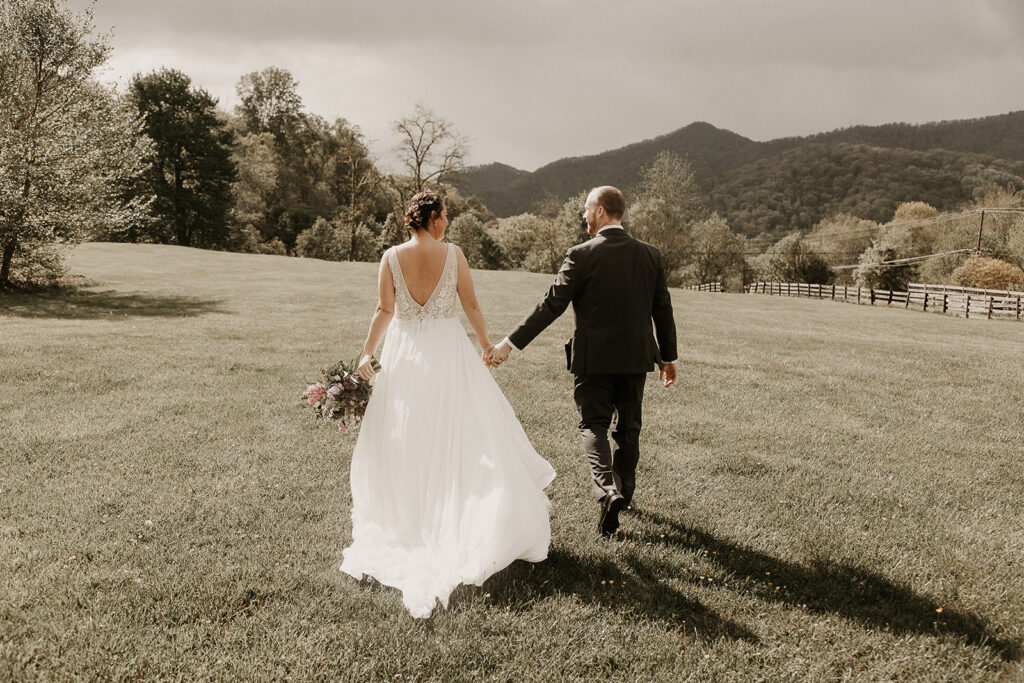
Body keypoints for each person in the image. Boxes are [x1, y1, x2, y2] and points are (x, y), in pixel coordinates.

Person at [340, 190, 555, 619]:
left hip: (404, 353)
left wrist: (367, 353)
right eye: (446, 216)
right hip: (446, 350)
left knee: (407, 435)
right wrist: (488, 345)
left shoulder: (390, 256)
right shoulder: (453, 254)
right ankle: (461, 513)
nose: (448, 223)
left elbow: (384, 309)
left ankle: (411, 515)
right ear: (433, 217)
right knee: (464, 430)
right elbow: (470, 304)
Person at [487, 186, 677, 538]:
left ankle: (607, 490)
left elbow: (551, 306)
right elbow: (662, 309)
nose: (583, 216)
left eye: (586, 210)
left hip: (593, 359)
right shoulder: (650, 255)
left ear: (602, 211)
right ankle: (623, 495)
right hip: (637, 358)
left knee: (593, 425)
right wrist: (669, 357)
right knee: (628, 428)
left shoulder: (581, 254)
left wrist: (508, 344)